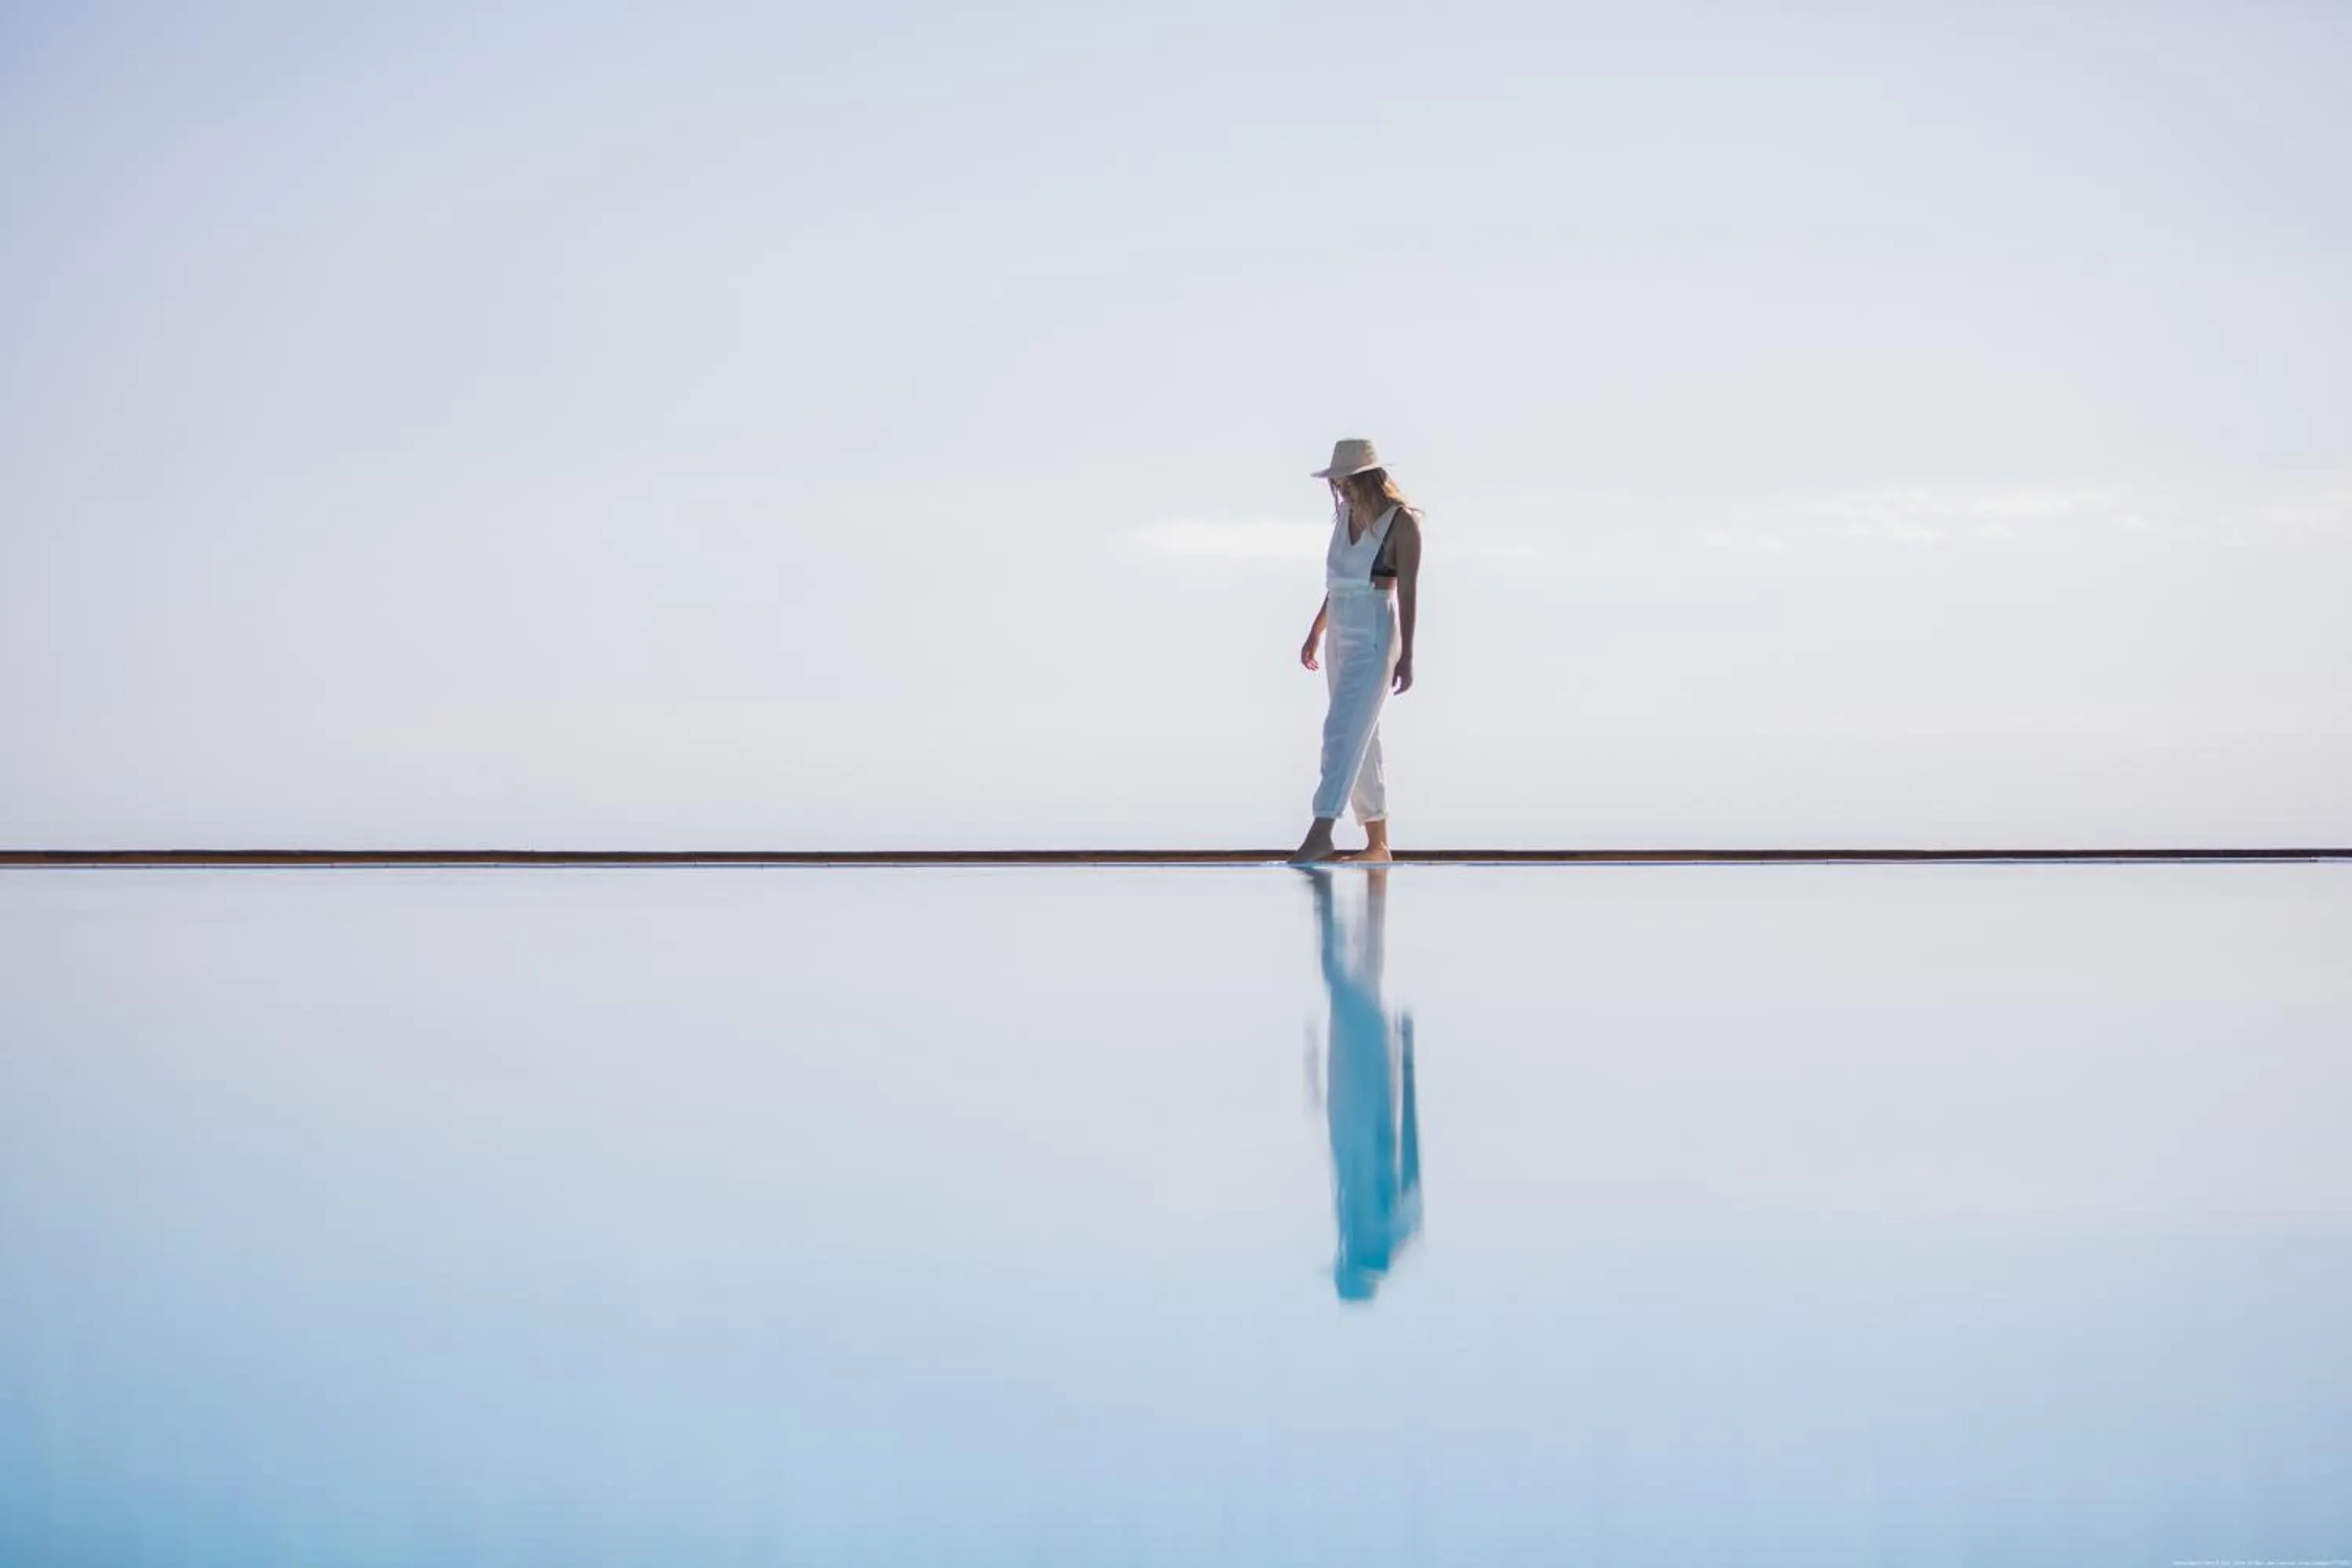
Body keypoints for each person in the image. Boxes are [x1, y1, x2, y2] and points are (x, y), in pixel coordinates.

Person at [1291, 437, 1424, 864]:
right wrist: (1316, 631)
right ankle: (1378, 843)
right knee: (1362, 735)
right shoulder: (1344, 517)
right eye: (1338, 483)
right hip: (1340, 630)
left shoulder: (1402, 523)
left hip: (1374, 632)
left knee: (1340, 731)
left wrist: (1407, 656)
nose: (1341, 490)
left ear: (1369, 478)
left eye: (1348, 482)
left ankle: (1321, 830)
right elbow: (1337, 585)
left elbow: (1408, 593)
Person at [1305, 865, 1423, 1302]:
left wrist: (1315, 1074)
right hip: (1369, 1078)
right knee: (1345, 969)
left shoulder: (1361, 1223)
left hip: (1354, 1083)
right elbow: (1410, 1148)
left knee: (1353, 968)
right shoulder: (1393, 1227)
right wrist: (1407, 1058)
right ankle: (1353, 882)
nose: (1340, 1254)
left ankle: (1361, 883)